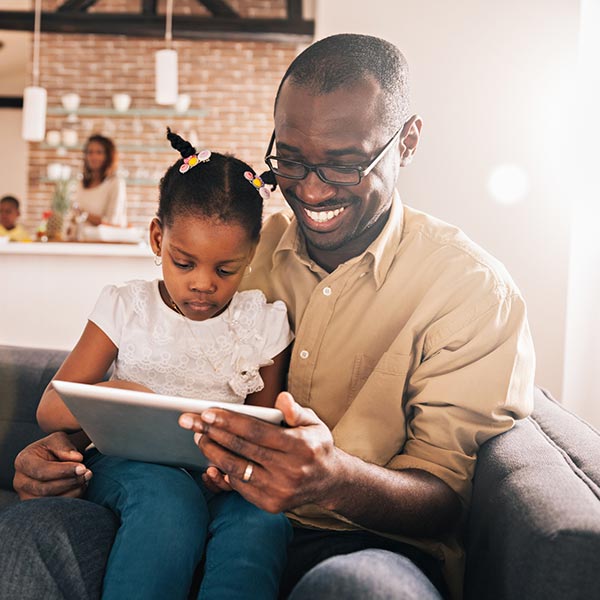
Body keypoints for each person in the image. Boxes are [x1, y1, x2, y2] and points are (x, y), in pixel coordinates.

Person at [2, 33, 535, 600]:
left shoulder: (469, 290)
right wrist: (62, 447)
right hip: (176, 507)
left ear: (407, 141)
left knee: (360, 590)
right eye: (291, 160)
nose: (308, 188)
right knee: (28, 536)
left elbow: (448, 498)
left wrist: (333, 481)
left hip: (354, 539)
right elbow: (117, 388)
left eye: (344, 164)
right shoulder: (235, 255)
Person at [33, 128, 294, 600]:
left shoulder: (262, 323)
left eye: (225, 269)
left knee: (262, 520)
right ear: (158, 238)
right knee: (167, 502)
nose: (202, 284)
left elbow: (266, 427)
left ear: (250, 255)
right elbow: (51, 409)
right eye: (184, 262)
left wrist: (236, 468)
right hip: (128, 466)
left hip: (221, 477)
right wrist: (124, 395)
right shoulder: (126, 306)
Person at [72, 134, 127, 227]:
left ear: (108, 156)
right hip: (82, 239)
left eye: (99, 152)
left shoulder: (115, 183)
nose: (93, 157)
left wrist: (84, 215)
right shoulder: (81, 183)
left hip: (104, 240)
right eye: (90, 152)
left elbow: (112, 222)